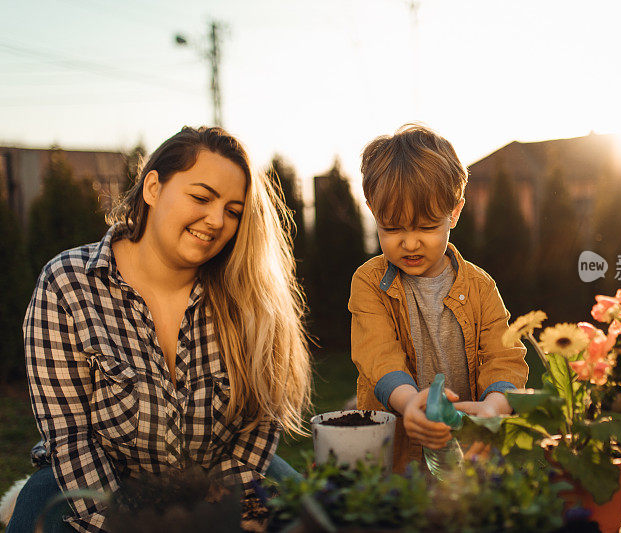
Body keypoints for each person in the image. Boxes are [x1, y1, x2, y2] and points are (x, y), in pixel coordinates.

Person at [7, 126, 311, 533]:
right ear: (153, 187)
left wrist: (218, 515)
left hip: (220, 476)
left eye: (233, 210)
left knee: (315, 518)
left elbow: (258, 427)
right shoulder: (67, 285)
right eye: (201, 197)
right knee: (37, 516)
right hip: (94, 485)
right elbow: (71, 437)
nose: (217, 220)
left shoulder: (247, 293)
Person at [349, 123, 528, 472]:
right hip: (396, 453)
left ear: (455, 212)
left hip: (469, 451)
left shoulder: (480, 286)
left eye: (427, 227)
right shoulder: (369, 282)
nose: (410, 242)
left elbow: (503, 355)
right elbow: (377, 353)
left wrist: (495, 406)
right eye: (393, 228)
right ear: (373, 211)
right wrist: (408, 401)